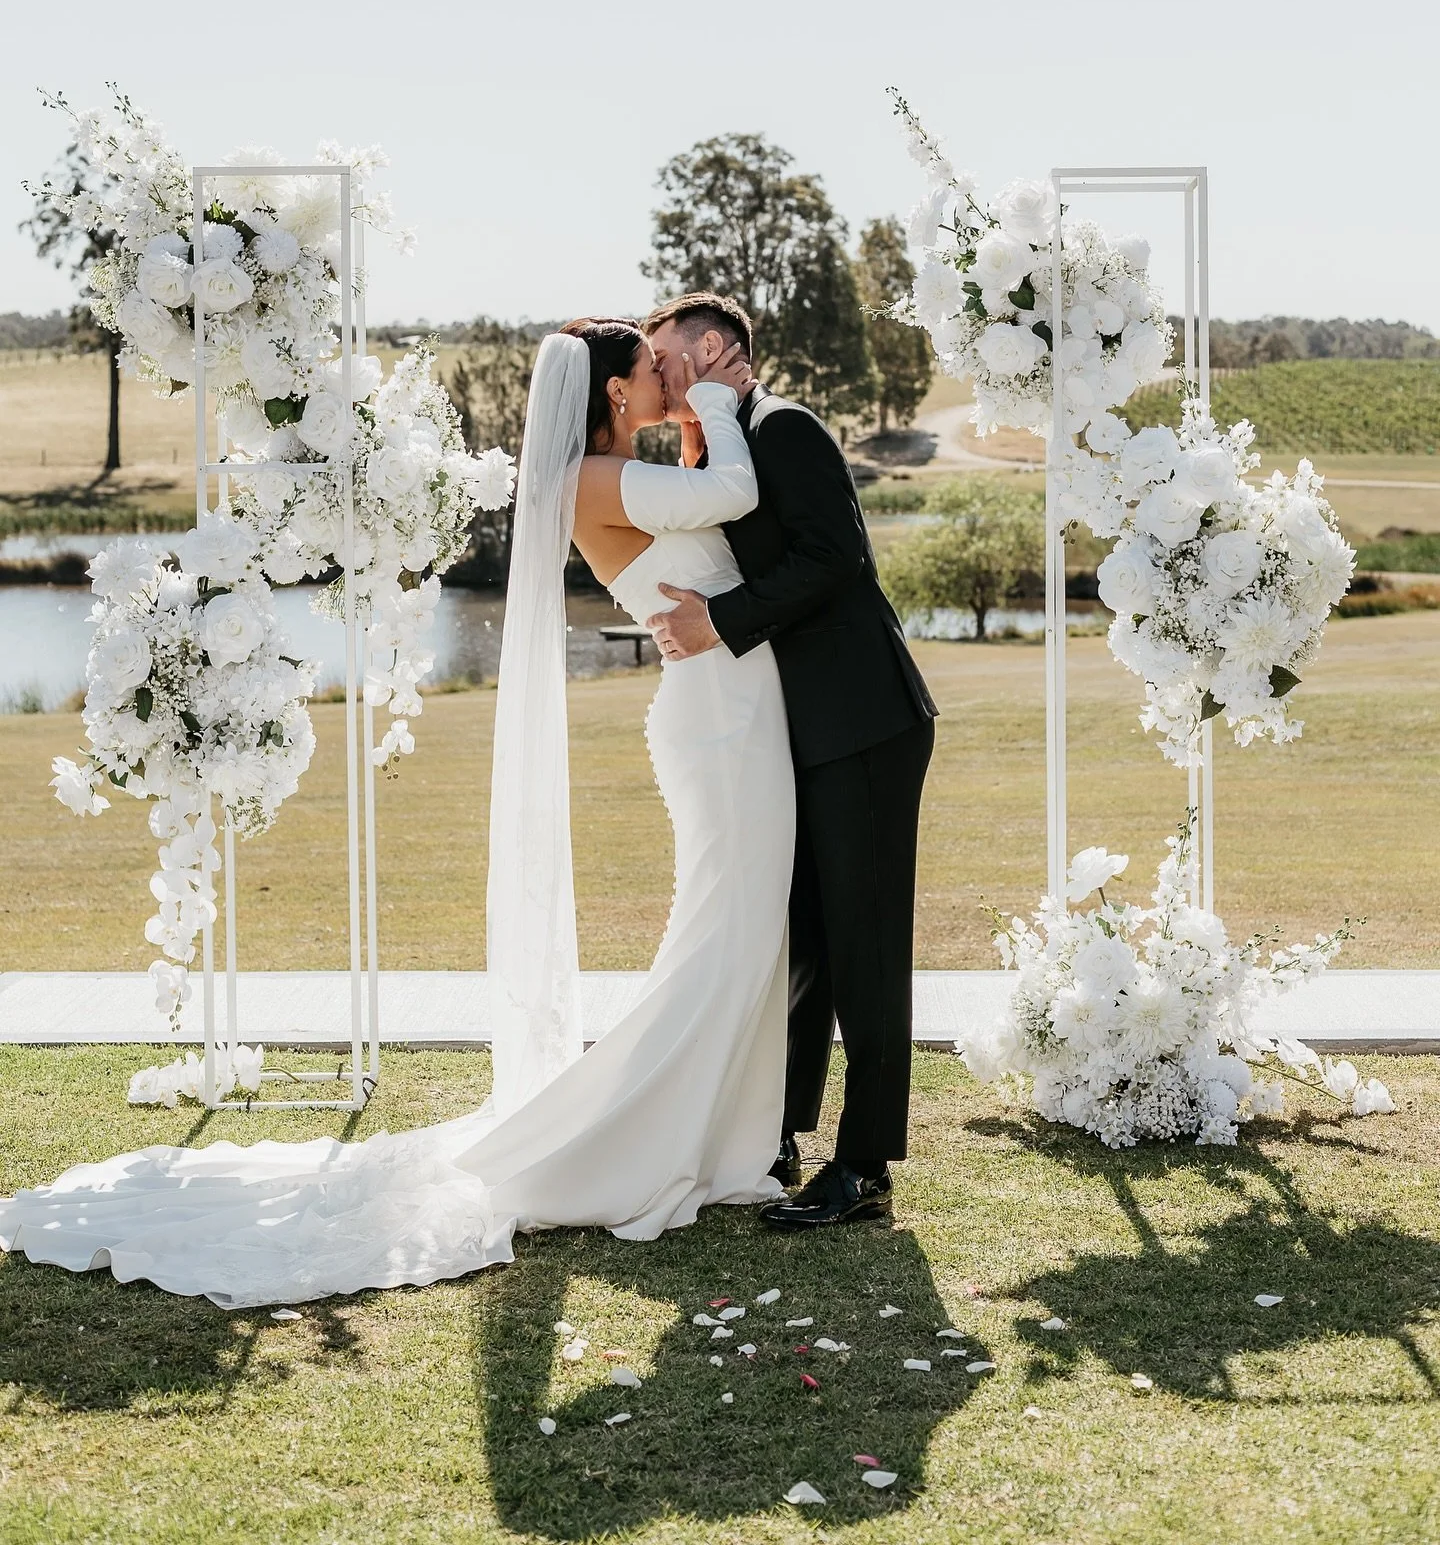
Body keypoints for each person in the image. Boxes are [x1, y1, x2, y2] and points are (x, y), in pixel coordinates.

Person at [0, 323, 798, 1308]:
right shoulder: (592, 479)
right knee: (725, 929)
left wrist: (701, 416)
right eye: (653, 368)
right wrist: (716, 397)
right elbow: (732, 495)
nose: (670, 375)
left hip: (734, 714)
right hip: (718, 724)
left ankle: (711, 1136)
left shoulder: (623, 470)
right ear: (615, 394)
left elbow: (713, 512)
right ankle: (628, 1140)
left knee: (738, 927)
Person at [643, 293, 937, 1232]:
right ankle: (779, 1132)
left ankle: (866, 1167)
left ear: (713, 347)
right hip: (799, 732)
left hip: (864, 721)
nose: (658, 374)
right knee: (803, 936)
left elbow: (835, 557)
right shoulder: (723, 444)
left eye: (666, 356)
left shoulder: (786, 428)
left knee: (865, 946)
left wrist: (718, 623)